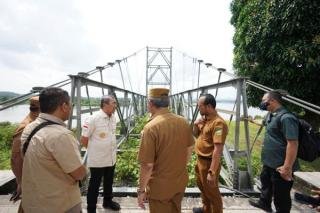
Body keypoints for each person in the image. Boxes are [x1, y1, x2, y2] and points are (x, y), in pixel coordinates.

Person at [20, 87, 87, 213]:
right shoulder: (61, 135)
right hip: (60, 205)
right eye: (71, 104)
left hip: (33, 202)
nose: (71, 108)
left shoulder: (29, 128)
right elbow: (79, 174)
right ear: (64, 106)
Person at [137, 88, 194, 213]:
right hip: (179, 182)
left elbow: (147, 165)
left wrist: (141, 191)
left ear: (151, 103)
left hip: (160, 188)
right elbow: (189, 148)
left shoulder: (151, 128)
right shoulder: (183, 122)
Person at [249, 90, 299, 213]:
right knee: (265, 184)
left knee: (281, 196)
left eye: (263, 101)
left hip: (281, 165)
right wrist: (251, 120)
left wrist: (287, 167)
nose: (261, 103)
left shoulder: (287, 118)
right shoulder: (271, 115)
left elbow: (293, 143)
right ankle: (264, 203)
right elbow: (264, 124)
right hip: (269, 162)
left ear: (272, 101)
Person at [81, 95, 120, 213]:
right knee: (94, 185)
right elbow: (84, 139)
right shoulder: (93, 119)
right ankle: (91, 208)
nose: (115, 105)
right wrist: (94, 151)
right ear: (105, 104)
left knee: (109, 181)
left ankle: (107, 201)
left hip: (111, 157)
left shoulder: (113, 117)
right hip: (98, 160)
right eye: (113, 103)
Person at [192, 93, 228, 213]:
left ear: (208, 106)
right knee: (203, 188)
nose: (198, 108)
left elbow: (218, 150)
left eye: (200, 106)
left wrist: (211, 172)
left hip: (208, 163)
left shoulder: (218, 123)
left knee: (212, 193)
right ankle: (206, 209)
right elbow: (197, 135)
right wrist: (197, 124)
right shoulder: (206, 120)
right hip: (200, 160)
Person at [10, 96, 40, 212]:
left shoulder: (34, 122)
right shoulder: (26, 126)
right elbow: (15, 158)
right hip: (31, 181)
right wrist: (21, 182)